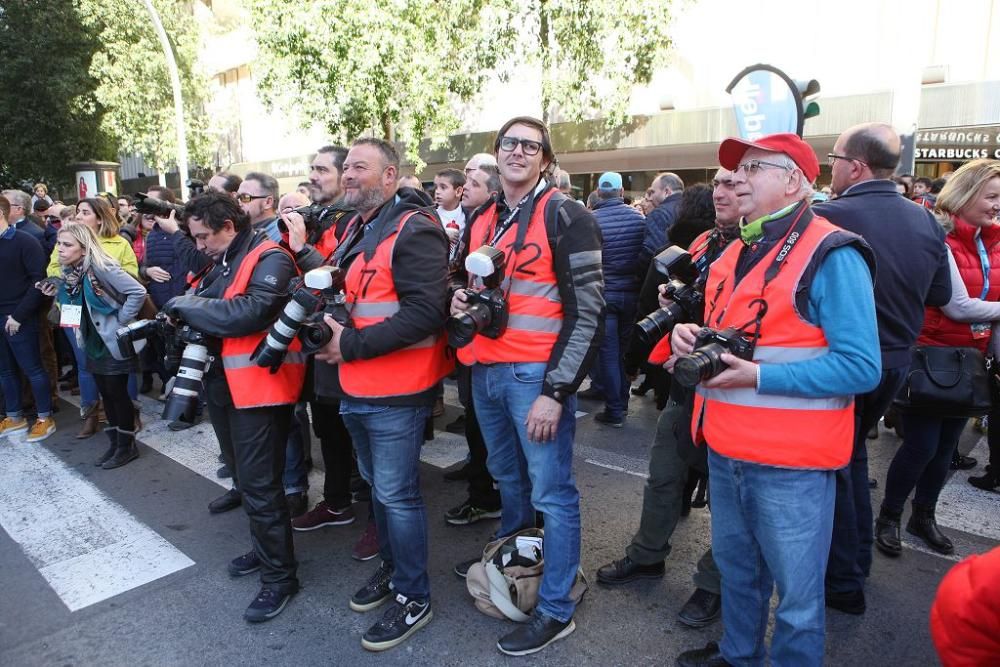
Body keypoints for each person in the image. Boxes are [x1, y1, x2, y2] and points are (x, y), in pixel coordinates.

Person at [674, 133, 880, 667]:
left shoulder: (832, 252)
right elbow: (738, 336)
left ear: (795, 181)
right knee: (738, 575)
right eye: (735, 170)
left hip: (793, 465)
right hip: (726, 449)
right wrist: (690, 337)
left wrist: (758, 377)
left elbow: (862, 367)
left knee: (797, 602)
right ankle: (739, 655)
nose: (736, 179)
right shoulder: (734, 249)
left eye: (752, 168)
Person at [452, 116, 604, 656]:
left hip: (534, 379)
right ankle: (512, 563)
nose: (518, 152)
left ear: (544, 158)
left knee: (553, 495)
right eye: (510, 144)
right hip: (486, 371)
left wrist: (556, 391)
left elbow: (588, 313)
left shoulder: (568, 215)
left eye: (530, 146)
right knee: (506, 481)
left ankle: (556, 608)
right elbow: (473, 285)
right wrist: (459, 301)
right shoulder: (483, 216)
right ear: (497, 153)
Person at [312, 138, 452, 651]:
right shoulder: (358, 226)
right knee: (377, 489)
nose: (347, 174)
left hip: (398, 388)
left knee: (397, 494)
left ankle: (414, 595)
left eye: (359, 167)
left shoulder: (414, 229)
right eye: (345, 166)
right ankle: (394, 574)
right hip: (358, 384)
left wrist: (348, 344)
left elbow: (424, 313)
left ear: (390, 175)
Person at [813, 122, 952, 615]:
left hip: (845, 362)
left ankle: (846, 579)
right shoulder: (926, 221)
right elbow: (941, 297)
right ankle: (849, 572)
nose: (830, 168)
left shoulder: (827, 217)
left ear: (856, 166)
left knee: (841, 466)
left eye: (833, 159)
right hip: (896, 362)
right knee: (849, 461)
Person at [598, 171, 739, 632]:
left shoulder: (768, 252)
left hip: (735, 390)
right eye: (718, 183)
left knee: (728, 498)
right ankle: (647, 556)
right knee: (663, 475)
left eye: (735, 184)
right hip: (687, 384)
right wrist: (673, 299)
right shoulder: (702, 242)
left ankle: (715, 585)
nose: (721, 192)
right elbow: (691, 298)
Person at [162, 191, 304, 622]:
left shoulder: (269, 256)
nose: (199, 245)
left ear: (228, 226)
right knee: (246, 482)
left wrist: (187, 304)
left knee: (261, 487)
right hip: (228, 385)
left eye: (204, 236)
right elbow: (218, 308)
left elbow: (250, 312)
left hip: (260, 390)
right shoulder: (226, 258)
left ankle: (280, 578)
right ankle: (267, 553)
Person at [876, 159, 1000, 555]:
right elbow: (957, 306)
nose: (998, 205)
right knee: (921, 446)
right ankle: (889, 517)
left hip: (969, 360)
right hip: (930, 357)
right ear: (966, 193)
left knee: (947, 449)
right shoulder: (938, 234)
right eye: (992, 195)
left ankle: (923, 515)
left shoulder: (991, 241)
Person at [48, 223, 147, 468]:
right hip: (93, 340)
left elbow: (138, 291)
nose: (60, 249)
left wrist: (121, 320)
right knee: (106, 394)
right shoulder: (70, 270)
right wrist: (57, 290)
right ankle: (115, 444)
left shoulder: (102, 267)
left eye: (67, 244)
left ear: (83, 248)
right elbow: (75, 305)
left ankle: (127, 446)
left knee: (117, 394)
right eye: (59, 243)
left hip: (113, 340)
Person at [442, 160, 502, 525]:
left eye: (474, 182)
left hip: (505, 353)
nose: (465, 188)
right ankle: (480, 487)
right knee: (475, 420)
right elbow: (456, 273)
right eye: (464, 182)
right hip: (472, 344)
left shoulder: (505, 224)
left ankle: (493, 500)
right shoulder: (473, 224)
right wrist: (456, 292)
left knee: (500, 440)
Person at [589, 171, 645, 427]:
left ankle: (614, 410)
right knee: (622, 353)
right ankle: (621, 402)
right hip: (631, 295)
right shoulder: (639, 219)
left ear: (599, 193)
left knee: (609, 355)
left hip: (604, 294)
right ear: (622, 192)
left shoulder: (591, 221)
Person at [0, 195, 55, 442]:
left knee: (33, 368)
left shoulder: (25, 241)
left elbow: (38, 282)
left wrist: (19, 316)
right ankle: (14, 417)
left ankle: (45, 417)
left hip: (19, 317)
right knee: (5, 371)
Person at [637, 172, 684, 276]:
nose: (651, 197)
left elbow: (652, 251)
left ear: (666, 191)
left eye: (653, 192)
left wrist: (639, 276)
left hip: (662, 281)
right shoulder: (692, 208)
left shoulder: (659, 214)